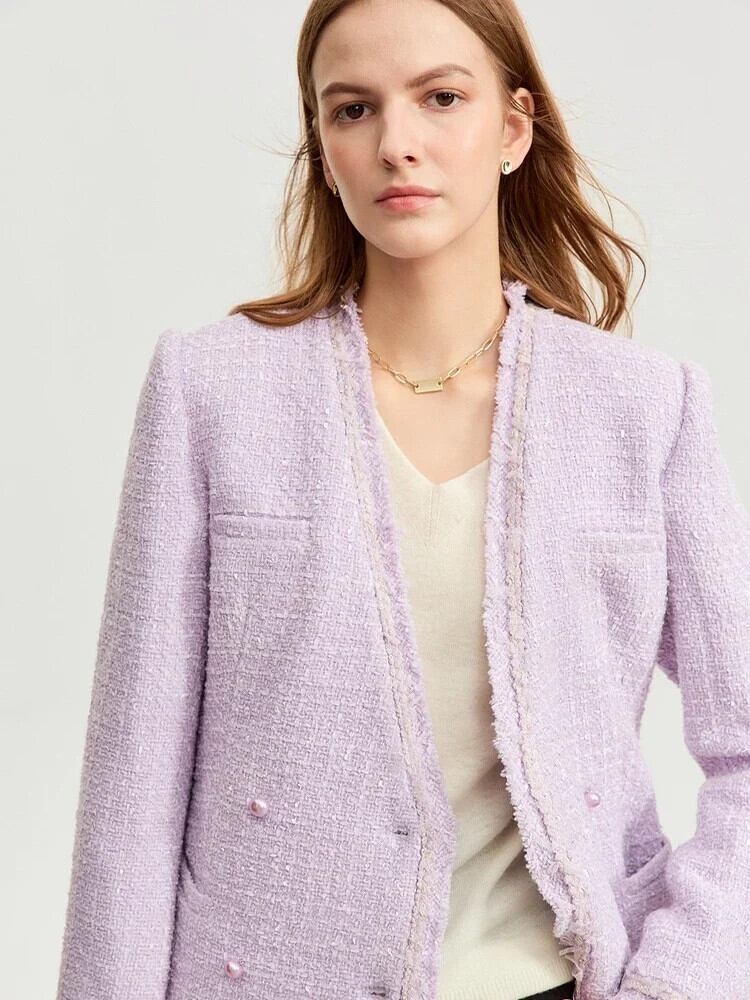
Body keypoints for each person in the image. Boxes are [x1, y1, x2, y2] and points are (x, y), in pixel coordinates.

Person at [55, 2, 750, 1000]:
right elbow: (133, 783)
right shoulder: (212, 391)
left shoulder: (644, 409)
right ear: (323, 147)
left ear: (513, 129)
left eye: (442, 98)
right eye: (353, 109)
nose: (397, 144)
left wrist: (677, 982)